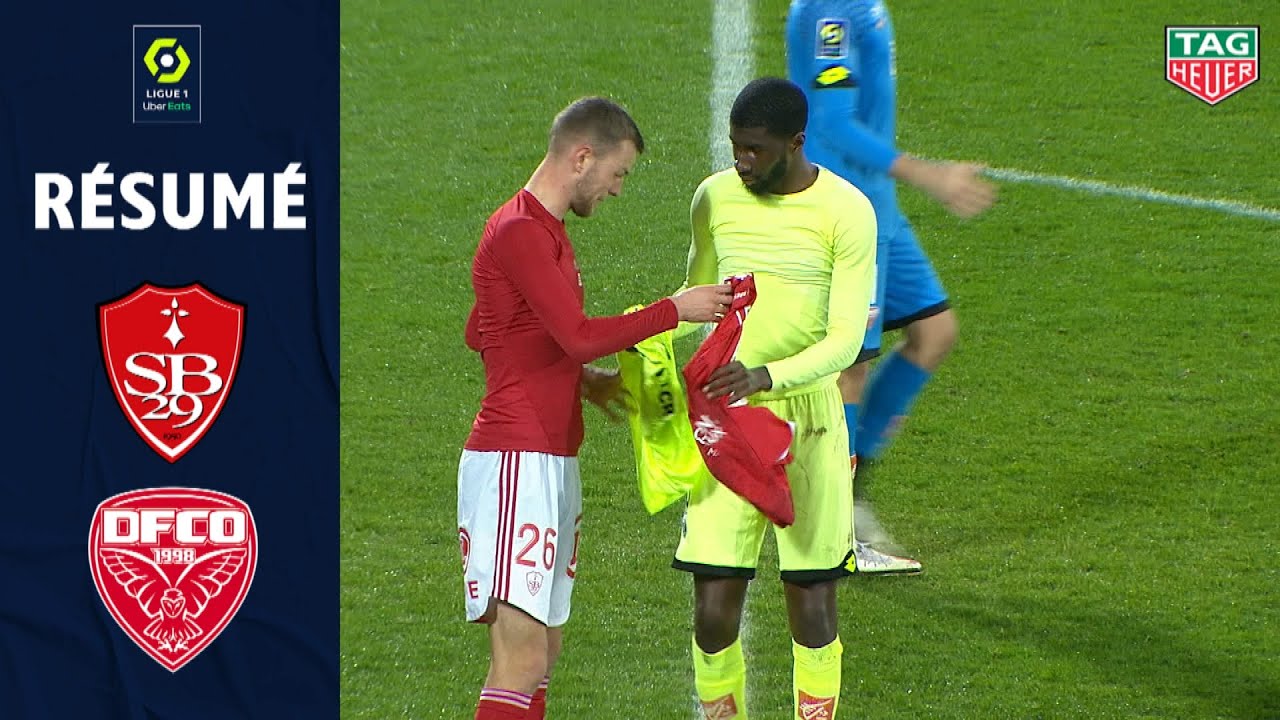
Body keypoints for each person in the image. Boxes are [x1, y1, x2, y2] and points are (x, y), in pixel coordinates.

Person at [459, 96, 733, 720]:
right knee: (521, 660)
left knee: (543, 654)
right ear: (582, 157)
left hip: (550, 458)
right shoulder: (521, 231)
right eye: (617, 173)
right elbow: (576, 334)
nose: (616, 189)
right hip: (515, 459)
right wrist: (674, 310)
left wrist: (586, 382)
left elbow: (486, 330)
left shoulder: (544, 231)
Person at [673, 77, 877, 720]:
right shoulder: (714, 198)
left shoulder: (848, 212)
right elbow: (696, 296)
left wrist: (765, 376)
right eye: (736, 147)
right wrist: (633, 332)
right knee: (712, 610)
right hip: (728, 421)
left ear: (796, 142)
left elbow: (846, 341)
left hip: (810, 424)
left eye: (756, 150)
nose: (742, 161)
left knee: (811, 604)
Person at [785, 0, 998, 574]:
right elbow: (831, 122)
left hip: (881, 206)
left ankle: (853, 494)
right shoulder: (831, 14)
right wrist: (930, 175)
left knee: (934, 332)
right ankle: (836, 527)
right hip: (848, 209)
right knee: (850, 366)